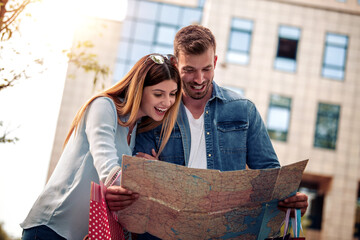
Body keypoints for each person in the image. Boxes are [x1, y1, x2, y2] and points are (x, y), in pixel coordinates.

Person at [106, 25, 308, 240]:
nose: (199, 79)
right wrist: (149, 177)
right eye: (189, 70)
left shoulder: (243, 110)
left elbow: (272, 180)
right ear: (175, 64)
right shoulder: (156, 113)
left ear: (215, 61)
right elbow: (138, 181)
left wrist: (292, 202)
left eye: (206, 69)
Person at [20, 53, 182, 240]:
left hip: (86, 235)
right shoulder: (104, 106)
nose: (168, 102)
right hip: (52, 228)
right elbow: (107, 167)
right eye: (158, 94)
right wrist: (154, 180)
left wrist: (152, 172)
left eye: (172, 94)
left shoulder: (137, 129)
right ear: (139, 89)